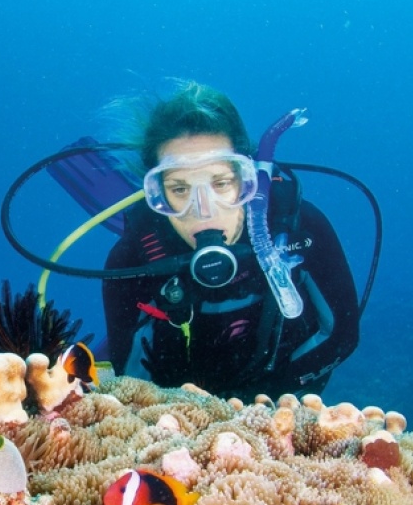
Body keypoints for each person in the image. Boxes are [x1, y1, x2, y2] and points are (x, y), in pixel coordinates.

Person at [102, 81, 359, 401]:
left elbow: (343, 335)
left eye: (221, 183)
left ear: (249, 178)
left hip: (286, 397)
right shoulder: (132, 259)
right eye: (180, 189)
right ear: (157, 193)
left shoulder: (299, 229)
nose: (203, 211)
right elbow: (130, 381)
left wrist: (268, 399)